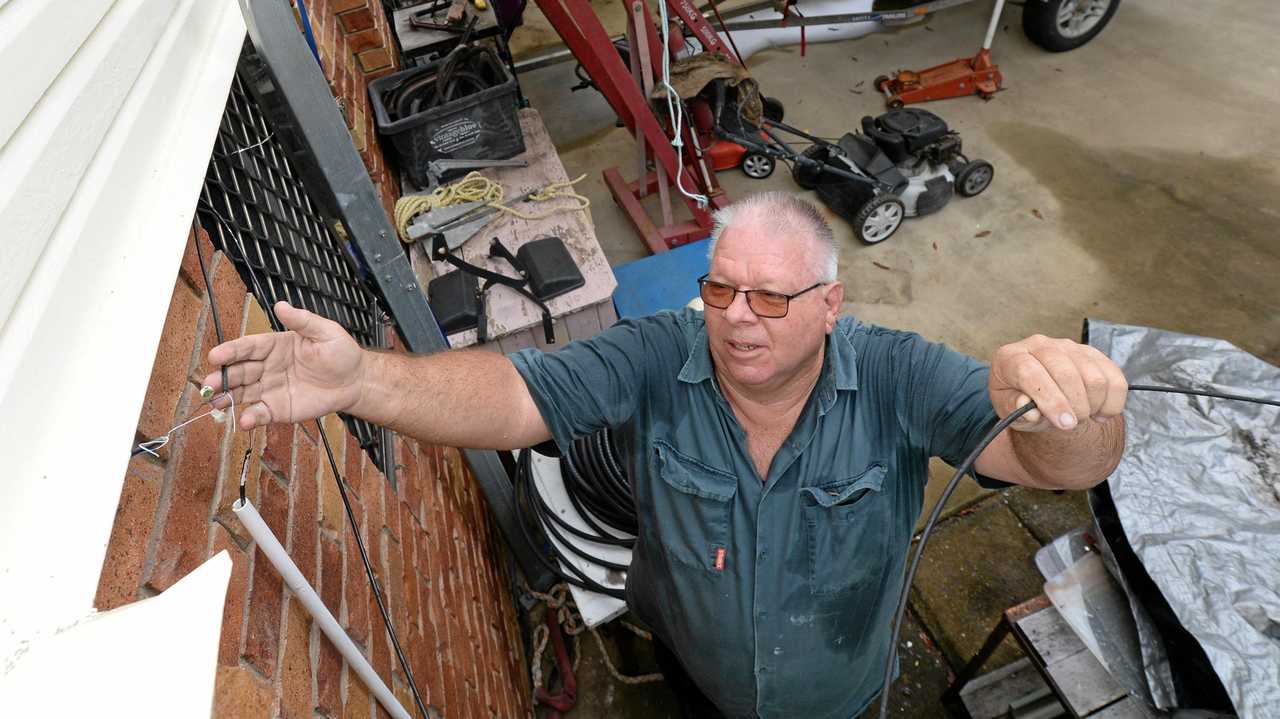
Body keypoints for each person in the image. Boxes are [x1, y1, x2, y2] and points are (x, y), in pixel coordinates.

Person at [204, 192, 1127, 719]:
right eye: (721, 287)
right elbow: (515, 394)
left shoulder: (898, 375)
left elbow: (1062, 464)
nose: (734, 318)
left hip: (842, 697)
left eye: (769, 297)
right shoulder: (656, 356)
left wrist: (1076, 403)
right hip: (694, 673)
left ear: (831, 303)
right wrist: (363, 379)